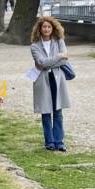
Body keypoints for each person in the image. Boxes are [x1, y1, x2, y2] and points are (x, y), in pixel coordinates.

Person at [29, 16, 72, 151]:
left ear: (53, 28)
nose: (46, 29)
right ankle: (49, 141)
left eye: (49, 27)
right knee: (46, 112)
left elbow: (64, 62)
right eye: (44, 27)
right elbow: (42, 63)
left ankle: (59, 141)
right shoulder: (34, 46)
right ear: (39, 29)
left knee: (58, 111)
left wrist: (50, 62)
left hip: (57, 78)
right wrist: (59, 56)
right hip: (43, 80)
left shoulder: (59, 41)